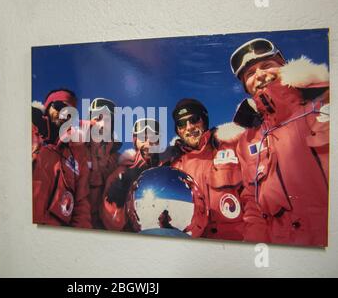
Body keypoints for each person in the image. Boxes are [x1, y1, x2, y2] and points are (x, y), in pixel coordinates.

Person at [230, 38, 329, 246]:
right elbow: (252, 204)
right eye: (249, 74)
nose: (259, 75)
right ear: (246, 87)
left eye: (266, 65)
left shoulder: (327, 101)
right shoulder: (247, 140)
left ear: (284, 67)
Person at [170, 99, 247, 240]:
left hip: (236, 242)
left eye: (194, 119)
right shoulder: (173, 166)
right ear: (178, 131)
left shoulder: (232, 146)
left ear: (204, 121)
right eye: (181, 124)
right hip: (195, 246)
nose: (189, 127)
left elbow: (253, 193)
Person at [32, 89, 91, 228]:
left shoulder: (77, 155)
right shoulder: (27, 130)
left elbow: (81, 206)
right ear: (47, 108)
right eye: (58, 107)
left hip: (55, 236)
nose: (63, 114)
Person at [100, 118, 161, 231]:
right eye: (143, 138)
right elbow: (112, 224)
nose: (148, 143)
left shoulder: (166, 168)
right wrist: (117, 197)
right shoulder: (122, 172)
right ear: (135, 141)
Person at [85, 98, 122, 228]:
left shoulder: (118, 160)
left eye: (107, 120)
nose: (102, 124)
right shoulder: (75, 150)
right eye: (97, 118)